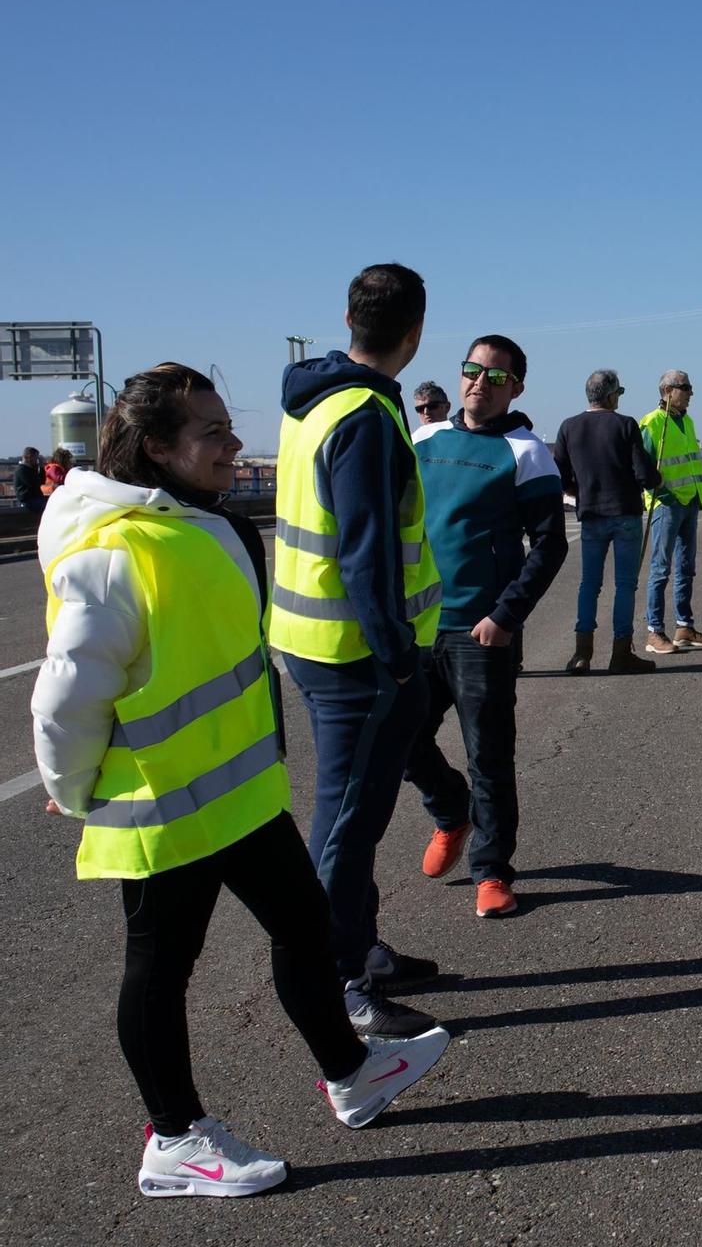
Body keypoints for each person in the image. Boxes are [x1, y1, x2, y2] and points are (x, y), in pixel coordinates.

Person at [34, 363, 447, 1198]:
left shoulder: (205, 522)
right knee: (161, 969)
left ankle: (350, 1072)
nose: (232, 445)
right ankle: (174, 1140)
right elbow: (65, 695)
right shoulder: (111, 550)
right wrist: (75, 790)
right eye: (212, 433)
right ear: (157, 447)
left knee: (306, 924)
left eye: (228, 428)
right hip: (163, 807)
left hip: (240, 795)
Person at [272, 263, 448, 1038]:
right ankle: (339, 982)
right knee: (345, 824)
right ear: (415, 332)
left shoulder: (315, 400)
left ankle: (359, 949)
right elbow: (367, 552)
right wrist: (399, 657)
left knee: (354, 818)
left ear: (348, 319)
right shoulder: (367, 415)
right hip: (357, 655)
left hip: (313, 645)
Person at [404, 334, 568, 919]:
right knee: (397, 738)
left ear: (515, 387)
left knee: (489, 755)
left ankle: (492, 870)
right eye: (472, 370)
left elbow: (549, 546)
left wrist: (505, 614)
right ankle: (451, 810)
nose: (479, 382)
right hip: (416, 626)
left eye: (494, 376)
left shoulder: (526, 452)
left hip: (480, 631)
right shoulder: (423, 439)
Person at [552, 369, 661, 675]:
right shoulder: (624, 424)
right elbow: (644, 475)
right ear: (611, 395)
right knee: (625, 585)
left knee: (590, 584)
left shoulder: (568, 427)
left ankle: (582, 653)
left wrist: (580, 491)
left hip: (590, 514)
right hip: (625, 513)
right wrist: (657, 477)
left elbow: (560, 477)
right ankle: (621, 652)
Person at [638, 370, 702, 655]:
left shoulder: (687, 421)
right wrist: (660, 492)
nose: (690, 393)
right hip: (666, 504)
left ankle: (684, 626)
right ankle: (654, 632)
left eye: (690, 387)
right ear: (667, 390)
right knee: (661, 569)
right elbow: (641, 466)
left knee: (686, 567)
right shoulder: (652, 423)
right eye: (685, 388)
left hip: (689, 502)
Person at [15, 445, 46, 516]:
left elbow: (42, 481)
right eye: (35, 457)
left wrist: (41, 468)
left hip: (35, 498)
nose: (37, 460)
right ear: (28, 457)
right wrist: (37, 468)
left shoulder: (29, 469)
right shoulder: (21, 470)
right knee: (49, 506)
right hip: (27, 500)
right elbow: (35, 484)